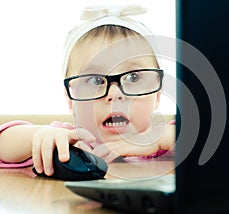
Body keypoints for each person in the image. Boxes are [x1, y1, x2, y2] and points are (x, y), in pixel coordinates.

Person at [0, 5, 175, 176]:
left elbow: (199, 139)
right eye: (96, 80)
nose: (114, 94)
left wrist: (161, 140)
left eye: (133, 78)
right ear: (71, 100)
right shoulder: (71, 143)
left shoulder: (164, 143)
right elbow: (3, 142)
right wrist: (38, 137)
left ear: (157, 95)